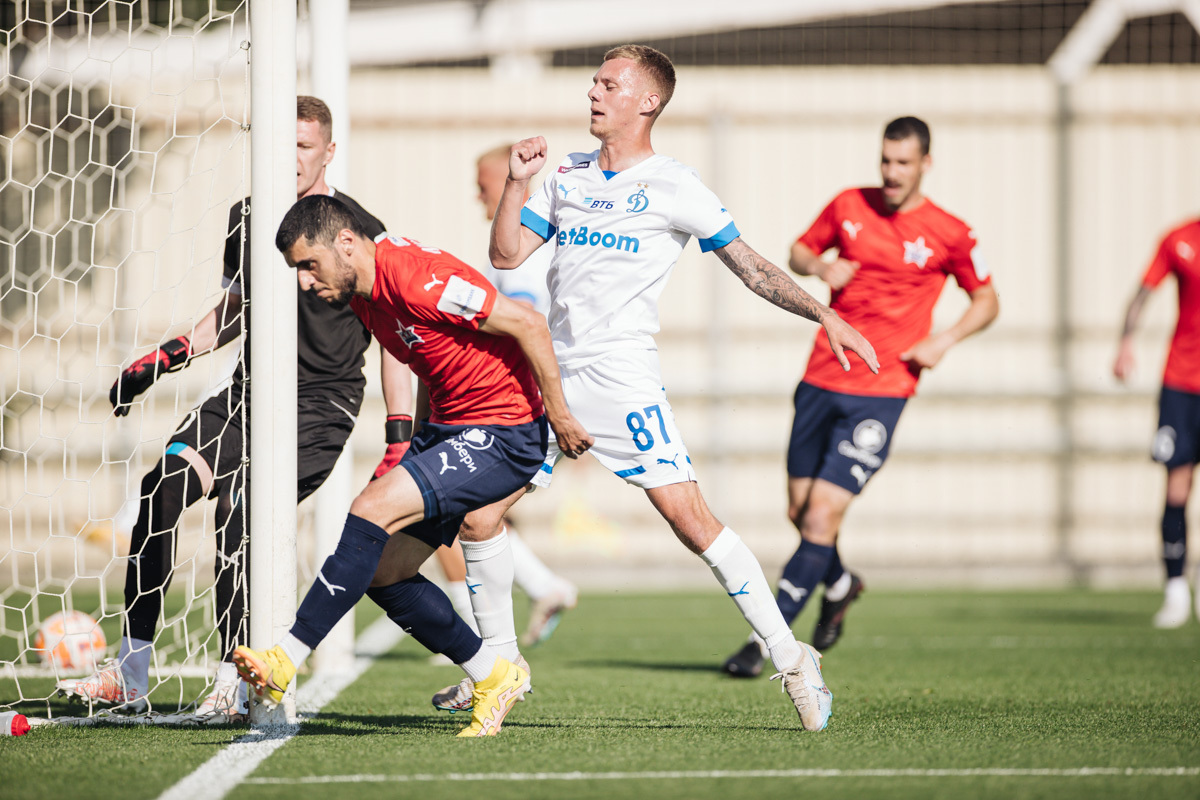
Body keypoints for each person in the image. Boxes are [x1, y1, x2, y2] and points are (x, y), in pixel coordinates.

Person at [472, 44, 879, 732]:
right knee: (479, 517)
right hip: (547, 373)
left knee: (691, 522)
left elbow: (749, 266)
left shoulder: (674, 184)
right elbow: (507, 254)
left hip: (622, 381)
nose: (594, 93)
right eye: (594, 82)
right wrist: (515, 184)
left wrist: (823, 311)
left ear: (648, 101)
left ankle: (791, 656)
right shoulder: (565, 172)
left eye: (609, 84)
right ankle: (500, 670)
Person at [57, 97, 413, 722]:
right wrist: (163, 358)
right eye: (281, 143)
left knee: (240, 505)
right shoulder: (246, 216)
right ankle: (130, 674)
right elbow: (233, 310)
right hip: (247, 394)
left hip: (320, 407)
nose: (290, 158)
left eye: (303, 146)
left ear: (329, 151)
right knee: (161, 488)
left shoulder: (359, 228)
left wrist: (399, 434)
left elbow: (393, 336)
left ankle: (232, 679)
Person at [232, 194, 592, 738]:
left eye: (309, 264)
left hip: (504, 429)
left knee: (369, 508)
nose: (304, 281)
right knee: (385, 573)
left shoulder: (421, 279)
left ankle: (285, 658)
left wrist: (560, 419)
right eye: (296, 270)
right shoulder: (363, 297)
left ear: (346, 244)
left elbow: (530, 323)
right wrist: (422, 437)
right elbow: (429, 360)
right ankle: (493, 676)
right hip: (452, 429)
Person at [722, 116, 1000, 678]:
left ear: (926, 163)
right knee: (800, 512)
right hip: (823, 377)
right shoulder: (849, 205)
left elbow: (987, 300)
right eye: (885, 161)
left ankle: (766, 643)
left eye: (903, 163)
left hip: (883, 391)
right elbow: (798, 251)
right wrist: (821, 264)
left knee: (821, 516)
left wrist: (943, 341)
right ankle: (842, 585)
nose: (892, 173)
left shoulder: (950, 232)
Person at [429, 146, 577, 668]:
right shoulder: (516, 245)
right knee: (466, 509)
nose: (479, 193)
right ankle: (535, 596)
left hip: (518, 403)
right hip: (515, 400)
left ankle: (475, 644)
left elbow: (525, 323)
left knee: (449, 507)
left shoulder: (521, 253)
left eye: (484, 181)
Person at [1113, 216, 1200, 628]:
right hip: (1181, 383)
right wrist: (1125, 342)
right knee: (1177, 485)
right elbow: (1143, 293)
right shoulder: (1180, 240)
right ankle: (1176, 592)